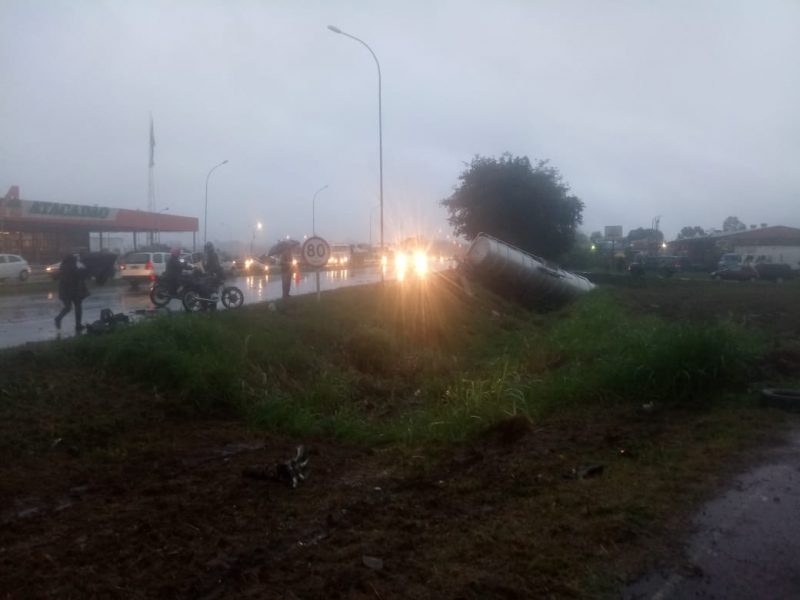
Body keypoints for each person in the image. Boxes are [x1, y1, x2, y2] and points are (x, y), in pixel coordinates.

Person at [55, 253, 89, 332]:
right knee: (77, 307)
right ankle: (77, 325)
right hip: (71, 291)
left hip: (67, 291)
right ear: (71, 261)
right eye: (74, 260)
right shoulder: (71, 267)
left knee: (69, 307)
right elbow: (77, 275)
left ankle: (59, 318)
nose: (75, 262)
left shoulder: (64, 267)